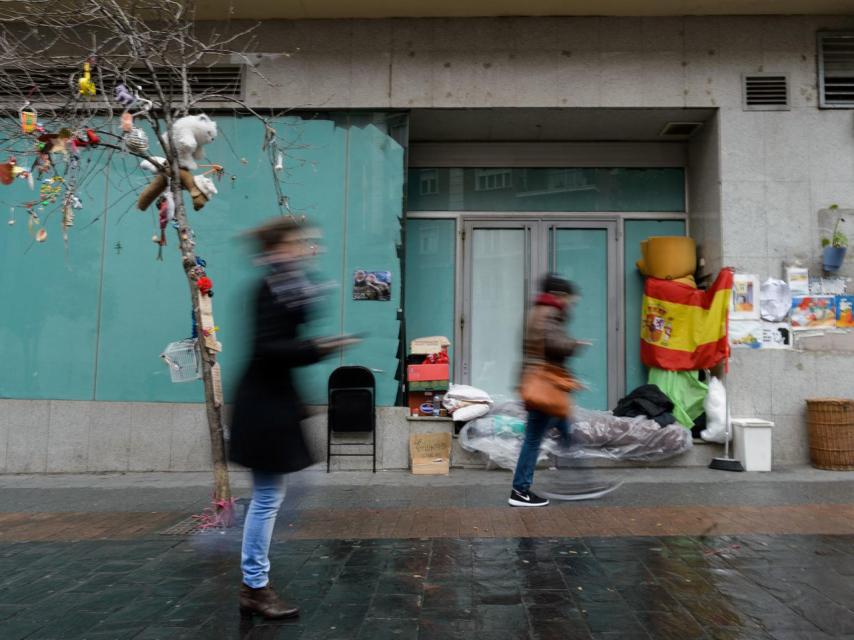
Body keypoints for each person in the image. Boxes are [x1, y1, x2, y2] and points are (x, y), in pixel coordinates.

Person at [229, 217, 358, 619]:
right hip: (262, 407)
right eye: (299, 242)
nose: (306, 247)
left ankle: (254, 581)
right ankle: (254, 586)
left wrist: (312, 325)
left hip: (272, 404)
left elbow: (292, 326)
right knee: (268, 498)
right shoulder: (268, 287)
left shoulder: (283, 284)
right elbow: (269, 347)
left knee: (276, 495)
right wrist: (317, 347)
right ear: (281, 247)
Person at [509, 274, 581, 508]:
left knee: (565, 429)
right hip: (544, 384)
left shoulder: (538, 311)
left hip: (540, 382)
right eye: (570, 298)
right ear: (559, 295)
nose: (571, 302)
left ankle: (582, 480)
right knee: (534, 439)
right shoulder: (549, 313)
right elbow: (554, 344)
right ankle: (520, 490)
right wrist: (573, 344)